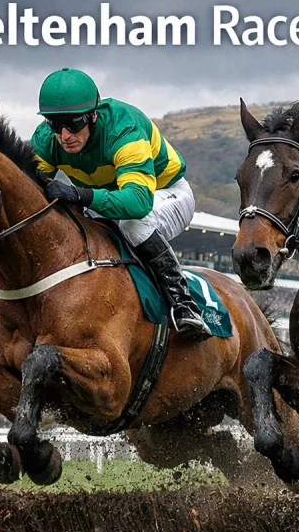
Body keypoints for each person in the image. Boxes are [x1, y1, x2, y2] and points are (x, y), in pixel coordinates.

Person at [31, 67, 212, 340]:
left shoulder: (123, 129)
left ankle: (184, 304)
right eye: (56, 125)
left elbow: (138, 202)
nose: (65, 135)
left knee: (133, 224)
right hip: (107, 202)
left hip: (165, 194)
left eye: (74, 124)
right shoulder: (47, 141)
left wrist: (80, 195)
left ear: (93, 116)